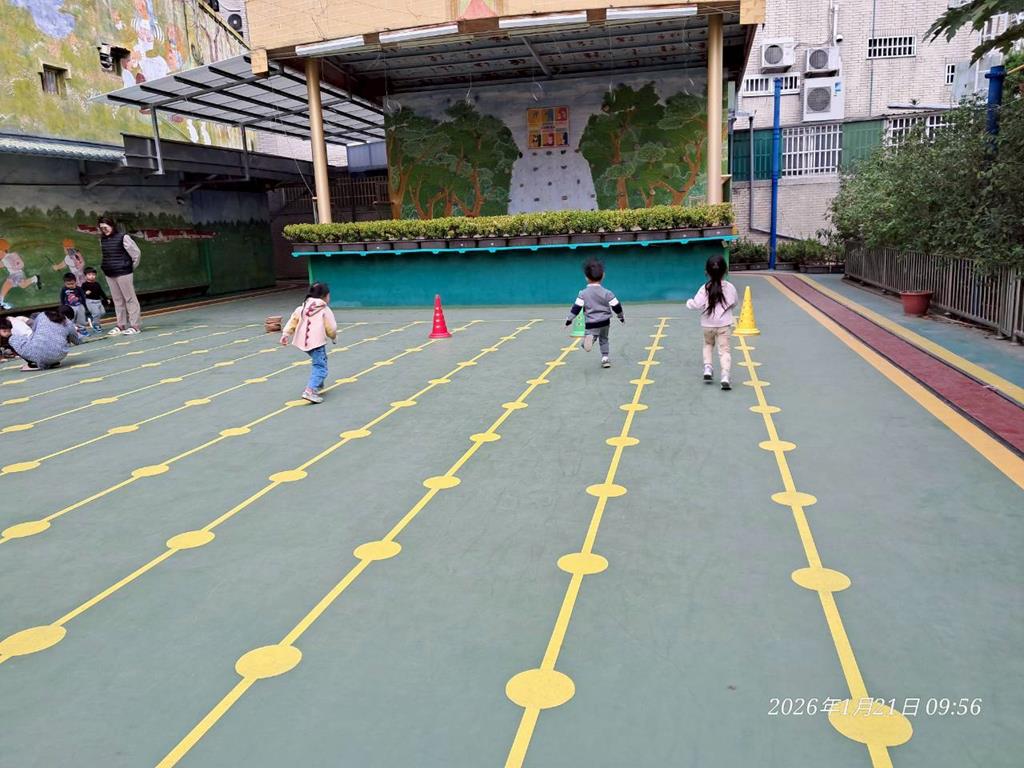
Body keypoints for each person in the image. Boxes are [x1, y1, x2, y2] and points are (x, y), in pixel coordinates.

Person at [686, 253, 738, 391]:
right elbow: (734, 303)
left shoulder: (704, 288)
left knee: (708, 345)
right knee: (724, 350)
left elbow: (696, 304)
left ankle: (708, 368)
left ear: (706, 272)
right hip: (724, 325)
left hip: (707, 325)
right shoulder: (730, 287)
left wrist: (689, 302)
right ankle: (725, 376)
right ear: (726, 271)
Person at [280, 282, 338, 404]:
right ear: (325, 296)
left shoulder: (302, 308)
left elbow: (293, 320)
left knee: (320, 360)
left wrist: (286, 334)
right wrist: (333, 337)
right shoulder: (324, 310)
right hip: (316, 342)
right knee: (321, 367)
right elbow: (331, 328)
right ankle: (310, 390)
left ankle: (318, 384)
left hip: (303, 342)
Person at [565, 259, 624, 368]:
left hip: (591, 323)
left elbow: (576, 308)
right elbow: (616, 306)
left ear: (586, 277)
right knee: (604, 339)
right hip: (605, 322)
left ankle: (589, 340)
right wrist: (621, 317)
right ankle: (605, 358)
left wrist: (569, 319)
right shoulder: (607, 293)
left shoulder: (583, 294)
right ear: (603, 276)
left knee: (591, 336)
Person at [97, 216, 142, 335]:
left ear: (112, 226)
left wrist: (129, 267)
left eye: (106, 227)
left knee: (130, 299)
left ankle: (135, 326)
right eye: (101, 228)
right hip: (109, 273)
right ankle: (120, 325)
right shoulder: (102, 240)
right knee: (117, 300)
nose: (104, 230)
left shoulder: (123, 237)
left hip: (124, 272)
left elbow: (136, 254)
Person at [8, 306, 82, 371]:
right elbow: (77, 341)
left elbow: (33, 331)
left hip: (38, 351)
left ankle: (33, 364)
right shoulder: (69, 323)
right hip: (58, 356)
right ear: (69, 317)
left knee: (12, 338)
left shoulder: (43, 315)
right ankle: (51, 362)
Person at [81, 266, 110, 332]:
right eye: (89, 275)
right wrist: (85, 292)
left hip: (98, 301)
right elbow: (81, 292)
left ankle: (92, 319)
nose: (92, 276)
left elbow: (101, 292)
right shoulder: (84, 284)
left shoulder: (97, 284)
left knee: (102, 312)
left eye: (93, 275)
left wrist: (106, 299)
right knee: (96, 313)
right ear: (85, 276)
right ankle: (96, 325)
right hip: (90, 302)